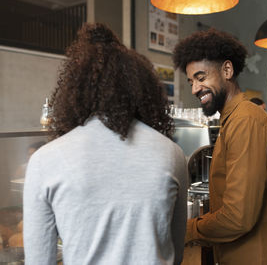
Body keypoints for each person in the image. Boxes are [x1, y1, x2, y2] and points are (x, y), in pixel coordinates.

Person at [23, 23, 187, 265]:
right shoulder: (172, 154)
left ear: (74, 91)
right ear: (141, 90)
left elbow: (39, 260)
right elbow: (176, 252)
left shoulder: (44, 160)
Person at [173, 29, 267, 265]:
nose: (195, 89)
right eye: (191, 81)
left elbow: (239, 217)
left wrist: (187, 230)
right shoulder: (233, 119)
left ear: (227, 70)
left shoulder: (245, 121)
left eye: (201, 77)